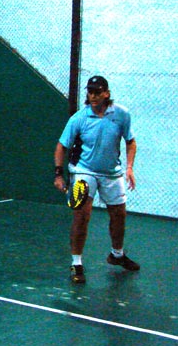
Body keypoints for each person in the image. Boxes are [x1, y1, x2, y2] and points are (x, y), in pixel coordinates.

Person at [53, 76, 139, 283]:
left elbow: (130, 141)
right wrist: (58, 174)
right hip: (84, 171)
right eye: (90, 92)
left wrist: (129, 168)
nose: (93, 96)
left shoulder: (121, 114)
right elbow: (61, 146)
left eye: (97, 92)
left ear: (106, 94)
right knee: (82, 215)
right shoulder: (78, 118)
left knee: (119, 214)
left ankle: (117, 254)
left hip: (111, 172)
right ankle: (76, 263)